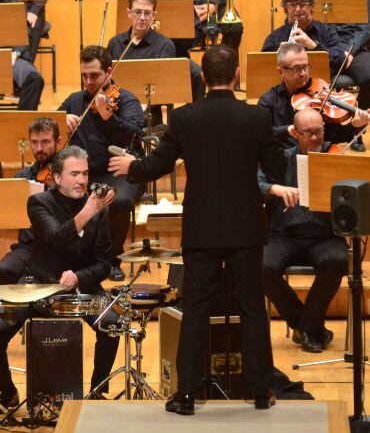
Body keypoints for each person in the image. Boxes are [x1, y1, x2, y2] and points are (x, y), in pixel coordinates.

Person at [109, 45, 286, 414]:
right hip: (245, 228)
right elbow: (276, 166)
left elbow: (157, 164)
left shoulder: (185, 118)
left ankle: (186, 394)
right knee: (252, 307)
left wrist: (132, 166)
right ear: (236, 75)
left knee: (196, 309)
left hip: (202, 228)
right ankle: (259, 391)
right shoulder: (255, 118)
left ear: (203, 77)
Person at [0, 146, 118, 413]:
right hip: (39, 283)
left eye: (85, 173)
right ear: (57, 178)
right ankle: (7, 391)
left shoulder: (101, 209)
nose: (82, 180)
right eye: (74, 174)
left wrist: (78, 276)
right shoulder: (40, 203)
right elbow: (56, 238)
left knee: (112, 324)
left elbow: (104, 264)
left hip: (80, 285)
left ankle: (97, 392)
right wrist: (88, 211)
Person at [259, 108, 348, 353]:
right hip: (285, 234)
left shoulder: (337, 159)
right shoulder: (282, 159)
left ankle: (306, 328)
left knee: (339, 259)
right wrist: (275, 188)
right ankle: (310, 326)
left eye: (319, 131)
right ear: (295, 133)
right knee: (261, 265)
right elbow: (255, 179)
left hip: (325, 235)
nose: (315, 138)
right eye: (308, 133)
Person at [60, 45, 145, 281]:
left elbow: (134, 134)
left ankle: (112, 258)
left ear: (108, 71)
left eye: (94, 75)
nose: (88, 81)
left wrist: (109, 116)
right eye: (84, 76)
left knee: (120, 201)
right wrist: (61, 119)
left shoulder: (126, 100)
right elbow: (49, 124)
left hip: (118, 171)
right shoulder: (75, 100)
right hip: (84, 173)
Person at [261, 0, 370, 151]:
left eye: (303, 4)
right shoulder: (275, 37)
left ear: (311, 6)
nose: (297, 9)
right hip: (286, 94)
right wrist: (280, 54)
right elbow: (262, 68)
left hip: (318, 92)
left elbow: (339, 61)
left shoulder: (325, 31)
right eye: (292, 5)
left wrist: (313, 45)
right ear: (285, 7)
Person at [106, 0, 205, 123]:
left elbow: (164, 89)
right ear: (129, 13)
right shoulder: (115, 43)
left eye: (147, 13)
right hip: (117, 109)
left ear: (154, 15)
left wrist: (137, 105)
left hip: (148, 114)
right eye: (137, 12)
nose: (142, 17)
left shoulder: (164, 45)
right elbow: (108, 82)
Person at [257, 42, 370, 150]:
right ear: (281, 71)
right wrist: (288, 130)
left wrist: (354, 125)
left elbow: (335, 135)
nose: (303, 73)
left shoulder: (319, 93)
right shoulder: (268, 100)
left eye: (305, 67)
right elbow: (260, 134)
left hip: (316, 158)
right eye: (296, 68)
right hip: (285, 160)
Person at [0, 116, 61, 285]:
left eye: (45, 142)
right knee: (3, 271)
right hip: (28, 246)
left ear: (58, 141)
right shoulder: (23, 176)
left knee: (29, 281)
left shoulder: (67, 174)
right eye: (34, 142)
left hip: (57, 248)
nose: (39, 148)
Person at [141, 0, 241, 59]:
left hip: (219, 3)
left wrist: (213, 4)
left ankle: (228, 69)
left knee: (234, 27)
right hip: (199, 3)